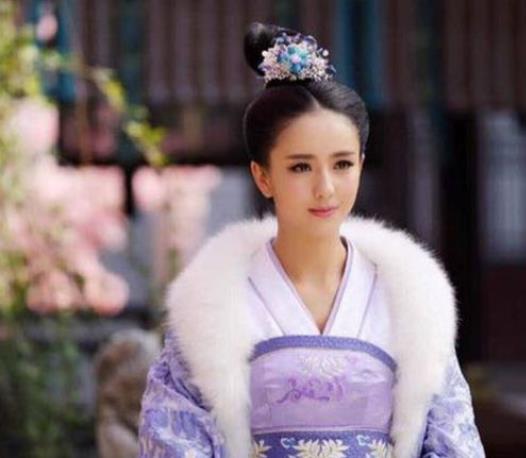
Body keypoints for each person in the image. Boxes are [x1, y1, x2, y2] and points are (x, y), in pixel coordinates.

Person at [138, 22, 485, 458]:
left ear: (361, 164)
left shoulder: (411, 297)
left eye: (342, 165)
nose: (325, 189)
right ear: (263, 176)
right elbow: (174, 441)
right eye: (301, 167)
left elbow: (453, 442)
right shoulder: (211, 305)